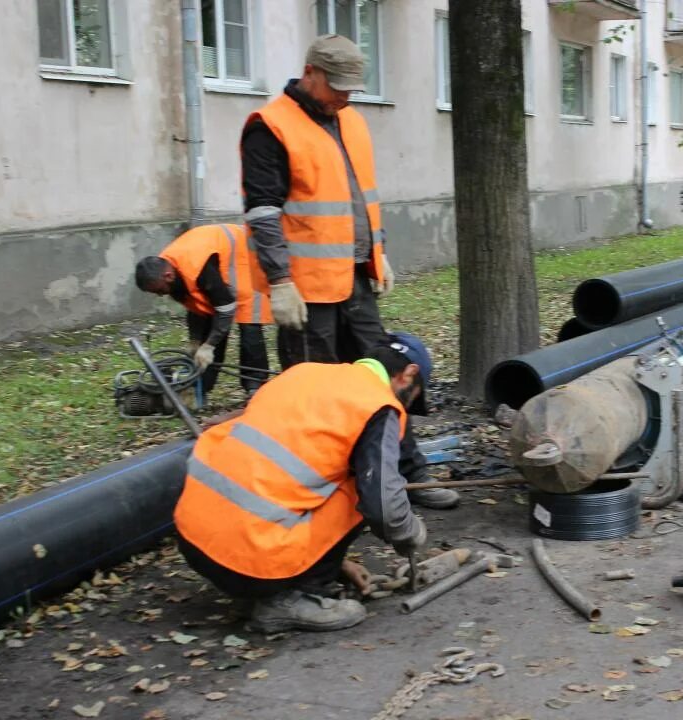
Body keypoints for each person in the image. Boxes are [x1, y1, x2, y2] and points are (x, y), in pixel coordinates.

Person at [240, 33, 457, 509]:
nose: (344, 96)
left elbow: (356, 202)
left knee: (386, 379)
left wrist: (378, 254)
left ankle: (409, 475)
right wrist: (279, 282)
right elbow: (262, 213)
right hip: (305, 292)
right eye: (336, 86)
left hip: (355, 280)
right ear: (309, 72)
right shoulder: (270, 127)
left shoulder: (351, 122)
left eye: (351, 88)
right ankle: (323, 497)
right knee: (316, 397)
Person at [173, 341, 431, 633]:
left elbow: (277, 475)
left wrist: (338, 564)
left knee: (338, 478)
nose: (406, 408)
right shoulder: (378, 405)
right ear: (408, 374)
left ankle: (288, 576)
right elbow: (385, 508)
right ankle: (287, 598)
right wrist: (410, 533)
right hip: (248, 563)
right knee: (362, 488)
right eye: (413, 398)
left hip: (192, 538)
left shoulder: (302, 374)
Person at [135, 223, 272, 397]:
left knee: (249, 324)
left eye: (160, 290)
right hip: (219, 260)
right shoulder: (168, 268)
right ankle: (201, 387)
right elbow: (197, 308)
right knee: (210, 328)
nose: (160, 295)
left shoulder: (197, 268)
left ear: (168, 276)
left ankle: (255, 385)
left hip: (245, 257)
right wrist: (196, 341)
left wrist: (209, 345)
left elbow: (225, 308)